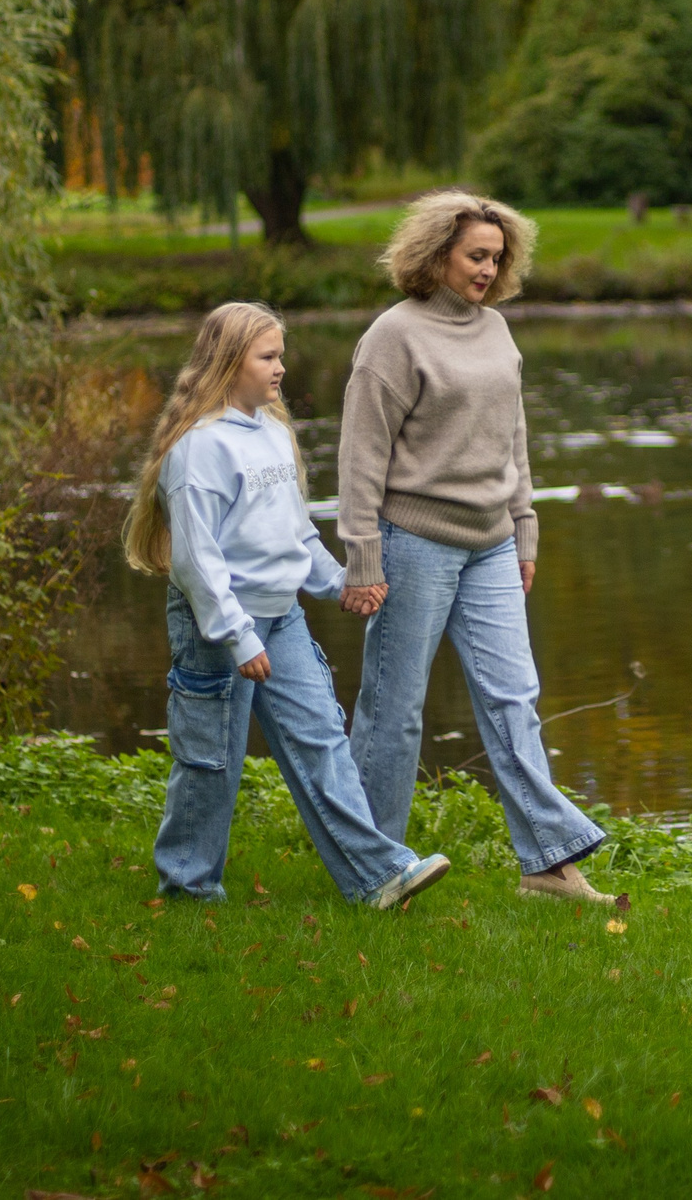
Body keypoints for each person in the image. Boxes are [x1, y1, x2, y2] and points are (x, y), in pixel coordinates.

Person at [122, 301, 450, 910]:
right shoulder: (201, 450)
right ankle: (189, 888)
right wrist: (238, 637)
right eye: (268, 357)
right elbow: (197, 562)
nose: (280, 369)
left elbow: (294, 534)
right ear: (229, 363)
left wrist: (341, 582)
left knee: (322, 739)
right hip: (217, 625)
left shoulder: (272, 432)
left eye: (280, 355)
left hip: (283, 616)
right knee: (210, 761)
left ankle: (375, 878)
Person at [336, 192, 613, 903]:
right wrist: (363, 555)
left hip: (491, 542)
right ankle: (371, 864)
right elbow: (362, 457)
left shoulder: (497, 331)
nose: (489, 269)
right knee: (394, 708)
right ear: (436, 256)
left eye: (497, 256)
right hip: (415, 542)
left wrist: (524, 527)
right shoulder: (392, 338)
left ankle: (547, 863)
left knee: (513, 696)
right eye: (476, 256)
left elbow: (512, 438)